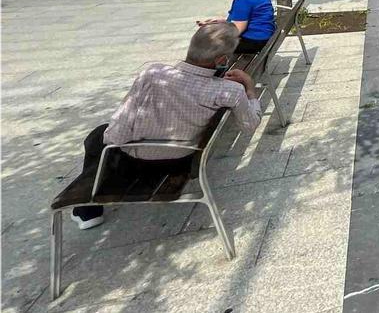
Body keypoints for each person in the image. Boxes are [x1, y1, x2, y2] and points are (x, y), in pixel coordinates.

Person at [69, 23, 262, 228]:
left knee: (98, 137)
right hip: (183, 160)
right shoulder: (229, 91)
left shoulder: (152, 73)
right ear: (222, 60)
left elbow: (115, 135)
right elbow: (250, 124)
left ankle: (87, 210)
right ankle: (88, 206)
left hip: (139, 163)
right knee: (103, 138)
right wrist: (249, 88)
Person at [198, 0, 276, 54]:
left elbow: (238, 30)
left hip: (254, 41)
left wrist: (216, 34)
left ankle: (216, 66)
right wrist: (219, 22)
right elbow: (250, 17)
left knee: (207, 43)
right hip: (265, 34)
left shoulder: (243, 0)